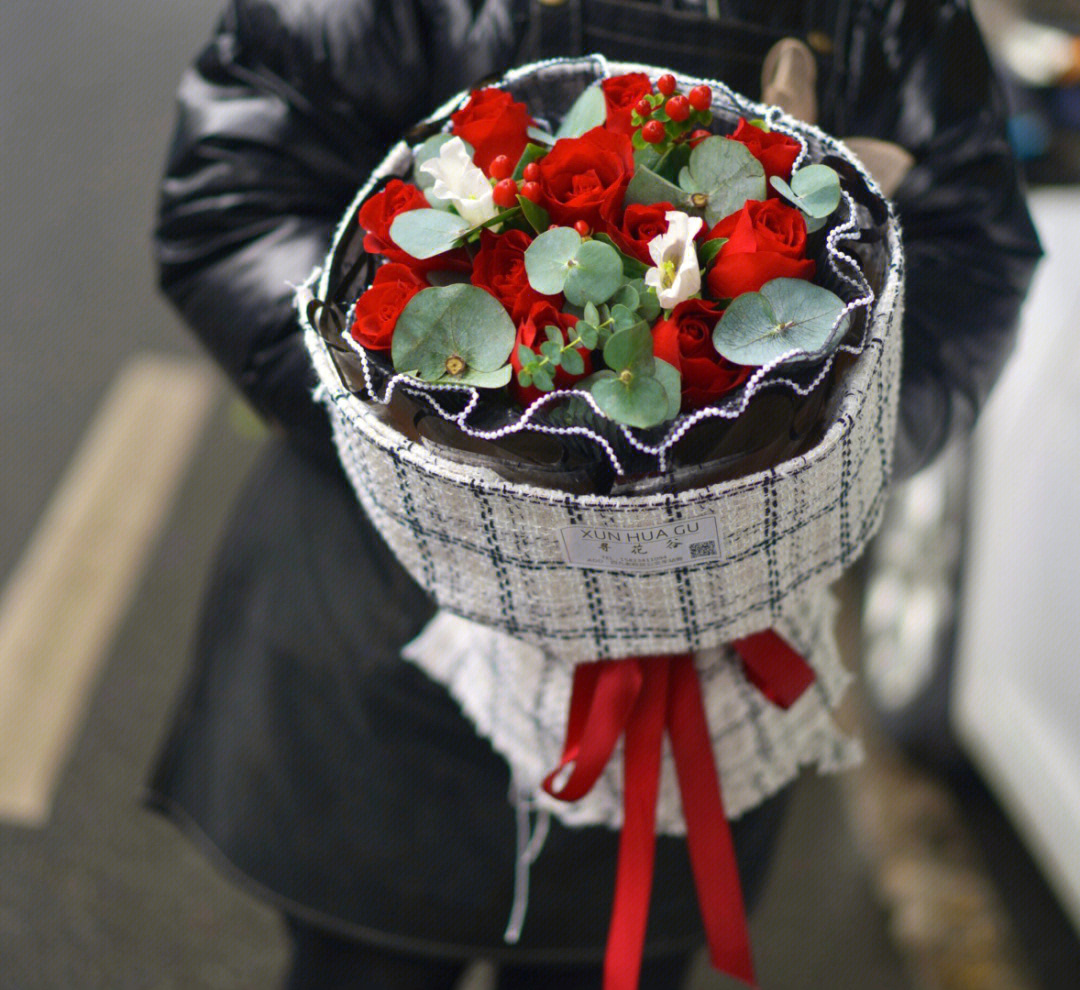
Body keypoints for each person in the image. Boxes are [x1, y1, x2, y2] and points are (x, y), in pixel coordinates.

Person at [150, 2, 1041, 987]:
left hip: (693, 680)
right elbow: (233, 192)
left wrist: (815, 470)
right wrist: (416, 446)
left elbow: (971, 244)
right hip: (383, 651)